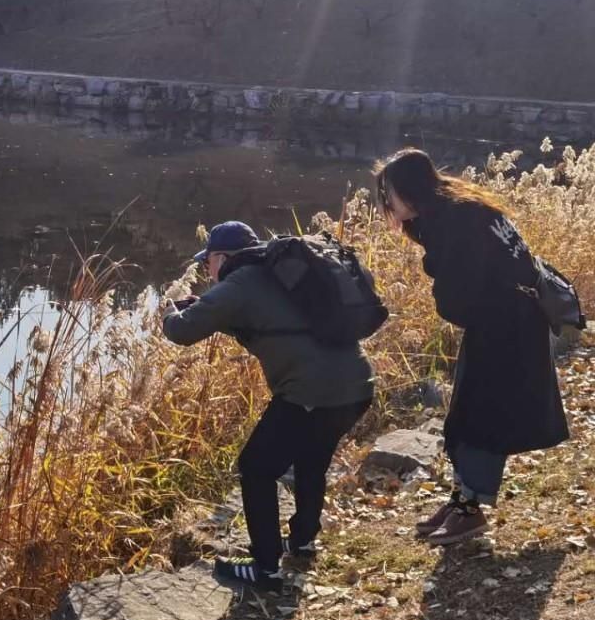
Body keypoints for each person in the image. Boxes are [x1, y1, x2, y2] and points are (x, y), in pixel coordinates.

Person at [162, 221, 375, 590]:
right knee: (311, 458)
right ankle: (303, 542)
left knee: (256, 467)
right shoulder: (282, 272)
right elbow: (267, 321)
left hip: (312, 392)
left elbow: (182, 332)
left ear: (222, 257)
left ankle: (266, 568)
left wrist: (168, 314)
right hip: (356, 386)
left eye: (207, 262)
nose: (206, 270)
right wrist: (207, 308)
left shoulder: (239, 282)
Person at [374, 148, 568, 545]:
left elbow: (459, 298)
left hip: (506, 324)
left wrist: (446, 292)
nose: (386, 203)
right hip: (512, 318)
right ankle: (463, 499)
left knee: (480, 413)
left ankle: (470, 510)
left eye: (388, 193)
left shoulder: (453, 221)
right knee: (469, 409)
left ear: (408, 192)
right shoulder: (461, 207)